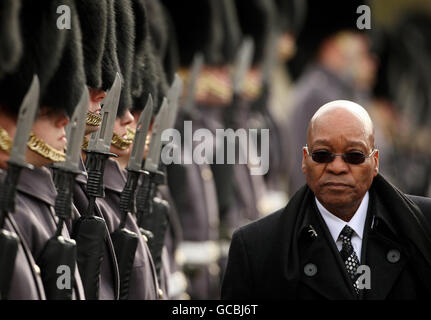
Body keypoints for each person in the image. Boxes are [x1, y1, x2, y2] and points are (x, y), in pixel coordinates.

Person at [221, 100, 431, 299]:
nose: (337, 167)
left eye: (354, 155)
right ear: (305, 160)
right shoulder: (255, 248)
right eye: (322, 155)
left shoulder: (423, 226)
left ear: (375, 162)